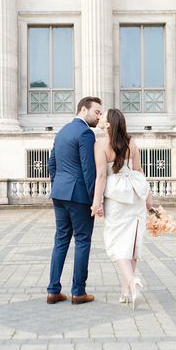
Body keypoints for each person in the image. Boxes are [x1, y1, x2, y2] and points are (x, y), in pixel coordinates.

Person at [91, 108, 153, 309]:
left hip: (117, 198)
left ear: (108, 124)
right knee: (132, 244)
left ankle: (132, 282)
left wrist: (96, 202)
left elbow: (101, 176)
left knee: (116, 245)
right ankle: (126, 291)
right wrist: (148, 196)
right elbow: (139, 171)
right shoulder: (131, 142)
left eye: (103, 119)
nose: (100, 121)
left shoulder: (100, 145)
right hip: (135, 195)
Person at [46, 96, 102, 304]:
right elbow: (89, 169)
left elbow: (51, 164)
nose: (99, 116)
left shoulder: (62, 132)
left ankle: (53, 290)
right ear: (83, 110)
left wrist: (57, 185)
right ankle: (78, 291)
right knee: (82, 241)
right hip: (78, 196)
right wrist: (94, 199)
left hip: (59, 193)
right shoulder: (85, 133)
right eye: (96, 112)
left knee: (60, 240)